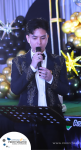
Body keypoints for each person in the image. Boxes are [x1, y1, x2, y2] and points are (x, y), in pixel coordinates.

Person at [11, 18, 69, 149]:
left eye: (43, 38)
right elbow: (15, 89)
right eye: (35, 38)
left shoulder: (58, 60)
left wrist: (51, 79)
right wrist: (31, 67)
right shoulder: (18, 61)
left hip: (52, 120)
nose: (39, 42)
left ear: (47, 38)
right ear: (28, 38)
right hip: (26, 120)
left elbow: (65, 90)